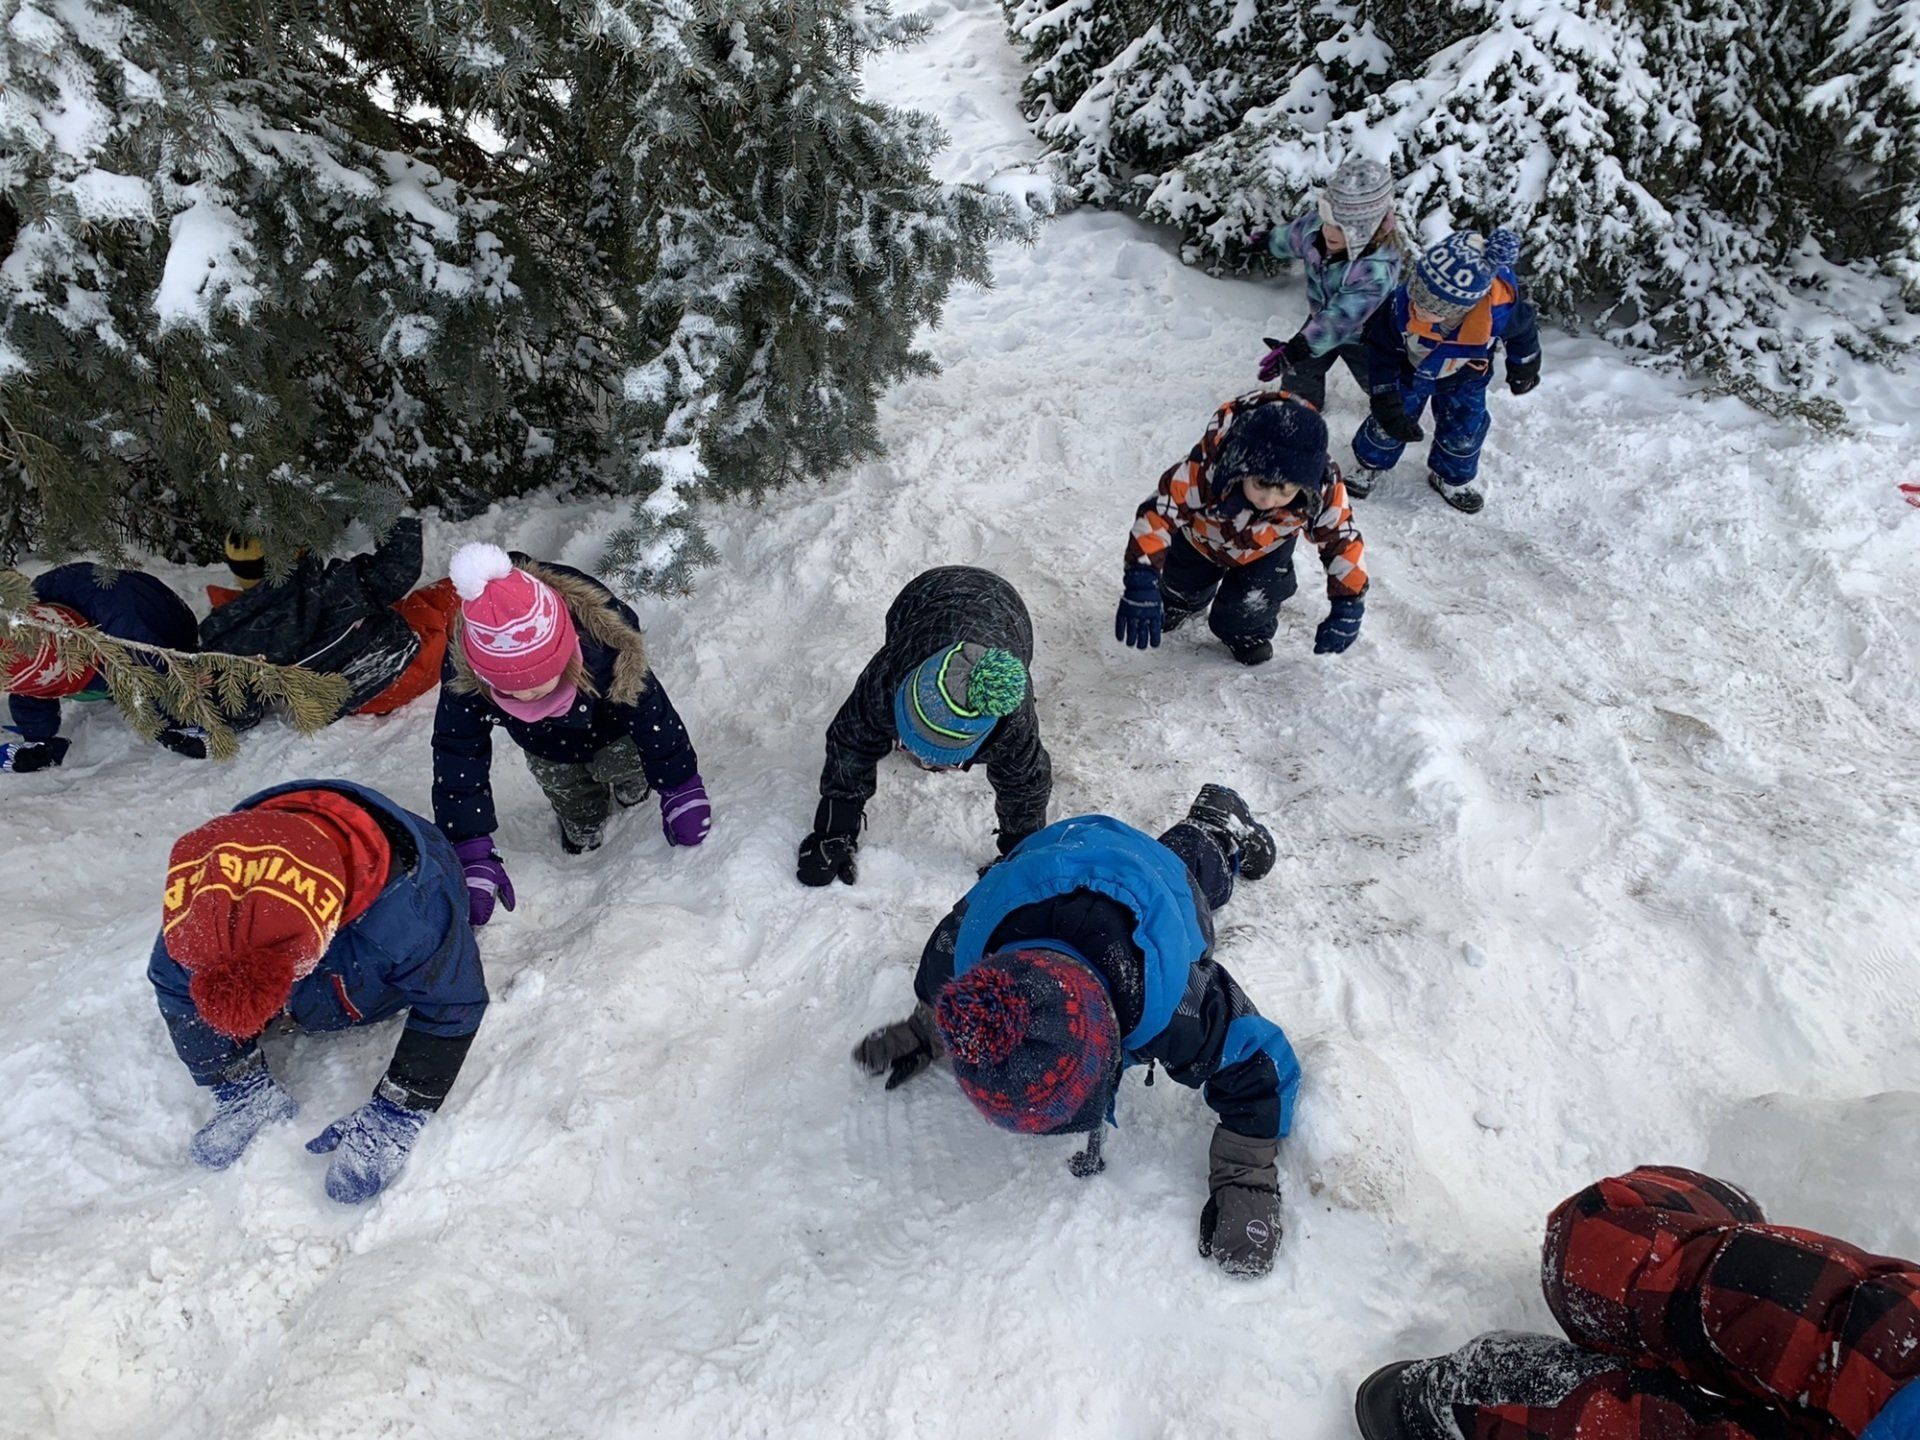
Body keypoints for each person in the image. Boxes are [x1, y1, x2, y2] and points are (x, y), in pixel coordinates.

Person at [852, 788, 1302, 1278]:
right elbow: (953, 991)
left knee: (1187, 871)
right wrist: (935, 1029)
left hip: (1154, 880)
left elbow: (1258, 1061)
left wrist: (1246, 1178)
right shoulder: (960, 948)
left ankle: (1215, 828)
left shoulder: (1175, 1003)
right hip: (1057, 850)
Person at [1355, 1165, 1920, 1440]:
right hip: (1903, 1366)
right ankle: (1720, 1221)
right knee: (1595, 1247)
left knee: (1527, 1411)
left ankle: (1483, 1408)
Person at [149, 779, 489, 1204]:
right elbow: (174, 982)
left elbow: (452, 1002)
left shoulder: (412, 916)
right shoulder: (204, 918)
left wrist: (400, 1107)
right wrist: (235, 1080)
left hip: (376, 965)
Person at [431, 543, 711, 925]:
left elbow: (651, 716)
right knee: (571, 796)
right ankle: (583, 831)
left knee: (625, 763)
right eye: (510, 691)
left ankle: (633, 787)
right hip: (547, 748)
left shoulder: (605, 648)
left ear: (565, 650)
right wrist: (470, 846)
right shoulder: (469, 676)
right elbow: (457, 752)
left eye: (537, 683)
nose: (526, 696)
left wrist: (682, 786)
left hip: (613, 731)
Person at [798, 565, 1050, 887]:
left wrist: (1021, 855)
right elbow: (852, 739)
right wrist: (834, 828)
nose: (927, 767)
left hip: (1007, 614)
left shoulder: (1011, 721)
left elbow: (1026, 784)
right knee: (870, 719)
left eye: (947, 760)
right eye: (907, 742)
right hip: (924, 597)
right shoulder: (887, 679)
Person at [1115, 390, 1367, 666]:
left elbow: (1342, 539)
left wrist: (1348, 602)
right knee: (1184, 578)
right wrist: (1141, 579)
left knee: (1254, 598)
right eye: (1260, 484)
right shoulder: (1205, 469)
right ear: (1240, 465)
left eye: (1285, 491)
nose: (1269, 500)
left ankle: (1245, 632)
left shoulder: (1321, 487)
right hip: (1202, 539)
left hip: (1268, 547)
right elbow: (1158, 515)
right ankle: (1178, 600)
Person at [1349, 228, 1541, 512]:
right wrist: (1384, 394)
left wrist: (1523, 368)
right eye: (1415, 297)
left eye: (1430, 308)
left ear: (1462, 306)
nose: (1417, 310)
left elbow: (1524, 334)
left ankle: (1451, 476)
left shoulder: (1500, 313)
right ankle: (1370, 463)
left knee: (1466, 426)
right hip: (1409, 371)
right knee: (1388, 420)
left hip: (1466, 376)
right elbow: (1382, 350)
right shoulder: (1400, 306)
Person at [201, 519, 458, 723]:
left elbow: (239, 707)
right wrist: (392, 516)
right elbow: (398, 569)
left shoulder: (229, 630)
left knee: (378, 607)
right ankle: (491, 586)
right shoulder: (324, 592)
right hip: (396, 671)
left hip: (339, 697)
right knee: (430, 603)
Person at [2, 562, 205, 769]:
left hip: (165, 624)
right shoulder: (23, 625)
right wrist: (37, 738)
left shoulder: (133, 636)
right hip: (95, 634)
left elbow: (160, 675)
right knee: (39, 674)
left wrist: (177, 724)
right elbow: (30, 689)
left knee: (140, 670)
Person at [1254, 157, 1406, 410]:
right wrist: (1268, 241)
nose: (1330, 233)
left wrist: (1297, 348)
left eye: (1343, 229)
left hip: (1367, 334)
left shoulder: (1375, 268)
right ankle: (1300, 407)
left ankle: (1397, 404)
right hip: (1321, 316)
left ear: (1367, 229)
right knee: (1301, 370)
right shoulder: (1317, 228)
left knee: (1379, 378)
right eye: (1328, 221)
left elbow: (1340, 320)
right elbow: (1294, 235)